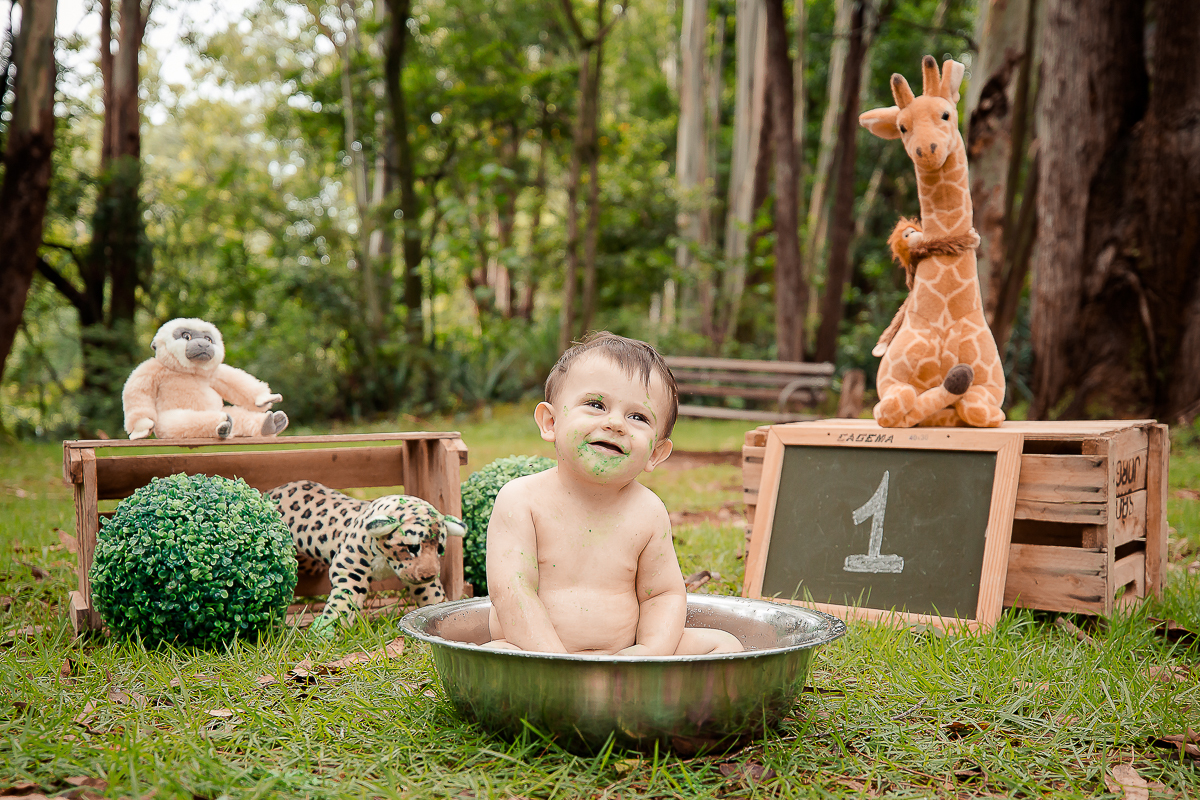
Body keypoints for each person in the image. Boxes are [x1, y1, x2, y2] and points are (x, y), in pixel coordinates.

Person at [484, 332, 744, 656]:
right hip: (535, 655)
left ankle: (638, 679)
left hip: (624, 655)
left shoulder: (647, 511)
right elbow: (512, 591)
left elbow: (663, 595)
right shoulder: (522, 500)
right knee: (494, 654)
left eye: (638, 417)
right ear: (551, 422)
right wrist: (556, 661)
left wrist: (648, 653)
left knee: (725, 645)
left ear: (655, 453)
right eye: (596, 405)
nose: (616, 423)